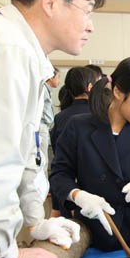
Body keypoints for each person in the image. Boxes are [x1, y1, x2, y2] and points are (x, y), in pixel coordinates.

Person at [0, 0, 105, 258]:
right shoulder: (8, 47)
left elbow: (26, 153)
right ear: (51, 2)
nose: (90, 26)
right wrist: (7, 254)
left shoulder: (22, 51)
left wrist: (35, 222)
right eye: (87, 10)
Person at [50, 57, 130, 251]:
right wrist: (78, 195)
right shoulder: (79, 127)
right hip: (91, 232)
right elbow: (59, 175)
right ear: (118, 91)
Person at [49, 66, 96, 218]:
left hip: (67, 189)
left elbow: (58, 161)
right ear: (90, 87)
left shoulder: (61, 117)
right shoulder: (97, 116)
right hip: (92, 190)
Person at [40, 67, 60, 177]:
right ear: (50, 77)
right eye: (57, 77)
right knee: (43, 161)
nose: (59, 81)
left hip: (45, 127)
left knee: (44, 160)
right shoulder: (43, 89)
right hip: (41, 126)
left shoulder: (47, 90)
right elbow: (45, 113)